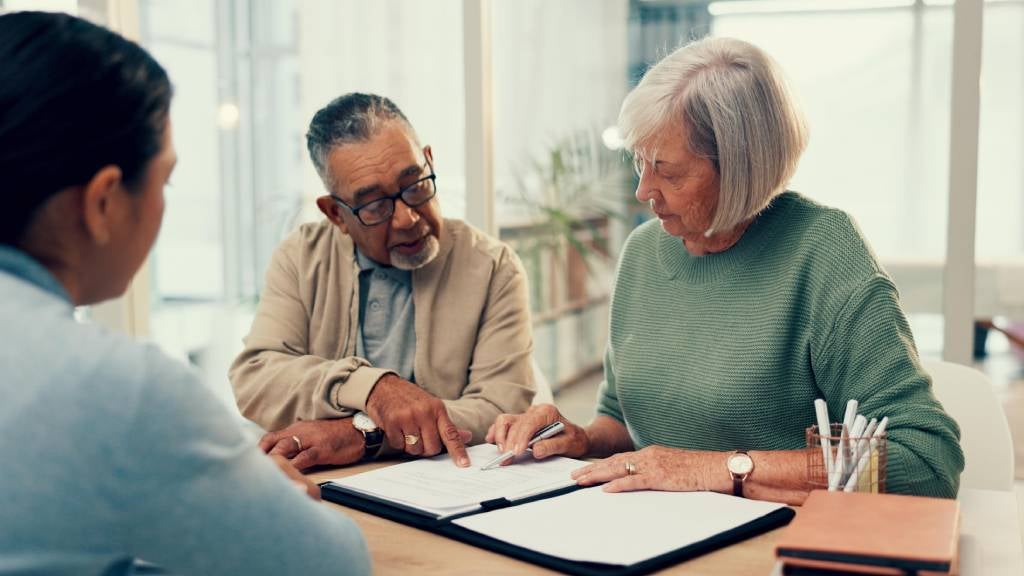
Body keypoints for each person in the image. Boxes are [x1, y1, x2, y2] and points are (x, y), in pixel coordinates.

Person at [488, 37, 964, 503]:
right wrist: (578, 439)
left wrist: (717, 470)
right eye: (639, 163)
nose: (643, 191)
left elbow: (925, 460)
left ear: (741, 168)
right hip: (649, 535)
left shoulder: (822, 252)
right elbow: (624, 420)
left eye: (668, 172)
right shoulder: (642, 252)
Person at [0, 12, 369, 575]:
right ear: (102, 202)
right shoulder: (116, 388)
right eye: (164, 179)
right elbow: (331, 566)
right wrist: (256, 499)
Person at [229, 93, 534, 470]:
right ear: (336, 214)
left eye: (416, 185)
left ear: (429, 161)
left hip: (447, 483)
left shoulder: (493, 267)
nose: (407, 218)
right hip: (322, 482)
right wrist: (373, 388)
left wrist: (361, 435)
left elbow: (501, 409)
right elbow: (257, 375)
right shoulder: (301, 258)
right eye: (374, 206)